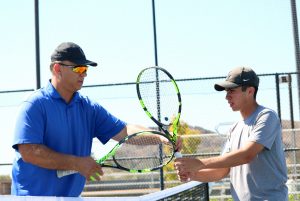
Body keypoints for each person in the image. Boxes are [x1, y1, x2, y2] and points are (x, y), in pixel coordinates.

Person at [11, 42, 182, 197]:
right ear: (57, 69)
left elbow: (125, 131)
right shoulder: (34, 105)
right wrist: (76, 163)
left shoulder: (89, 108)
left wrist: (161, 137)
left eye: (85, 69)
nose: (83, 74)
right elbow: (29, 152)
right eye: (78, 69)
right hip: (32, 198)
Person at [174, 67, 288, 201]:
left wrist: (199, 163)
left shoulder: (266, 116)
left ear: (250, 91)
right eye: (227, 91)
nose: (227, 96)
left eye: (232, 91)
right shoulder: (234, 128)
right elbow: (222, 171)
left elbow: (247, 155)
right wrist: (191, 174)